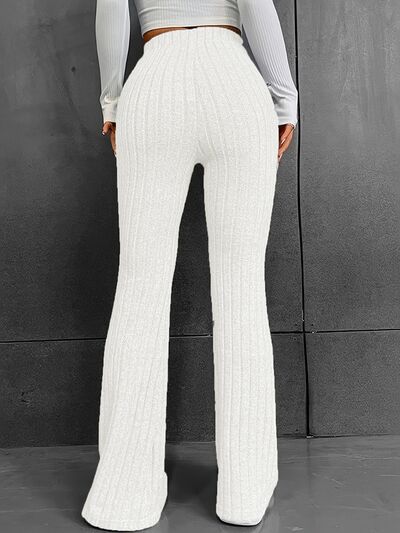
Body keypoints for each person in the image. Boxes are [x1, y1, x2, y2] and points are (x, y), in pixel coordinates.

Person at [81, 0, 298, 530]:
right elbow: (257, 7)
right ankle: (245, 492)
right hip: (235, 82)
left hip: (154, 80)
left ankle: (124, 494)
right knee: (242, 289)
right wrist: (284, 99)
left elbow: (111, 12)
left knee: (140, 287)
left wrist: (112, 100)